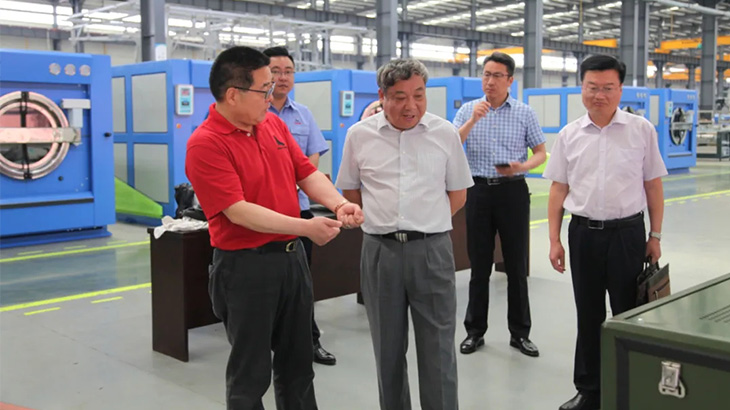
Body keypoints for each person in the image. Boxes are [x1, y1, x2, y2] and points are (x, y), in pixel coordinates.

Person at [185, 46, 363, 410]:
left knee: (298, 365)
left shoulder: (272, 125)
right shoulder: (205, 143)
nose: (273, 95)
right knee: (250, 374)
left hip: (291, 263)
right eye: (264, 89)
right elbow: (239, 212)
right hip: (245, 268)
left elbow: (307, 173)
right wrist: (306, 227)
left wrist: (338, 203)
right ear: (233, 94)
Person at [336, 58, 473, 410]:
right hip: (380, 252)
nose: (410, 105)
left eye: (419, 95)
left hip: (432, 251)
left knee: (439, 348)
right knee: (387, 348)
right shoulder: (359, 135)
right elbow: (350, 190)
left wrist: (425, 220)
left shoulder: (444, 134)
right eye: (399, 97)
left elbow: (458, 194)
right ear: (382, 96)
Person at [543, 55, 666, 410]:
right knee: (588, 314)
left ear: (620, 90)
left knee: (628, 312)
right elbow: (558, 189)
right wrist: (554, 240)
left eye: (608, 88)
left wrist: (655, 235)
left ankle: (630, 385)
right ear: (581, 88)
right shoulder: (569, 135)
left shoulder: (641, 130)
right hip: (583, 235)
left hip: (627, 235)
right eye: (592, 87)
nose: (599, 95)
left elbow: (653, 186)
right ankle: (589, 390)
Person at [452, 52, 546, 357]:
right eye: (486, 74)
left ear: (510, 80)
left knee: (516, 265)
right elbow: (452, 145)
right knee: (479, 265)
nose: (490, 81)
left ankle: (520, 333)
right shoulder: (468, 110)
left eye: (496, 76)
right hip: (478, 192)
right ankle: (474, 331)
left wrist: (523, 166)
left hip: (512, 192)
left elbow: (541, 152)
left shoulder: (524, 113)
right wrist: (472, 121)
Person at [263, 46, 336, 366]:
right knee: (267, 285)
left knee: (302, 283)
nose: (282, 77)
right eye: (275, 71)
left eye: (288, 71)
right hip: (264, 213)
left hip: (299, 208)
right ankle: (268, 344)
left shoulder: (303, 114)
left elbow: (312, 157)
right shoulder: (255, 114)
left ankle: (310, 341)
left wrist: (295, 184)